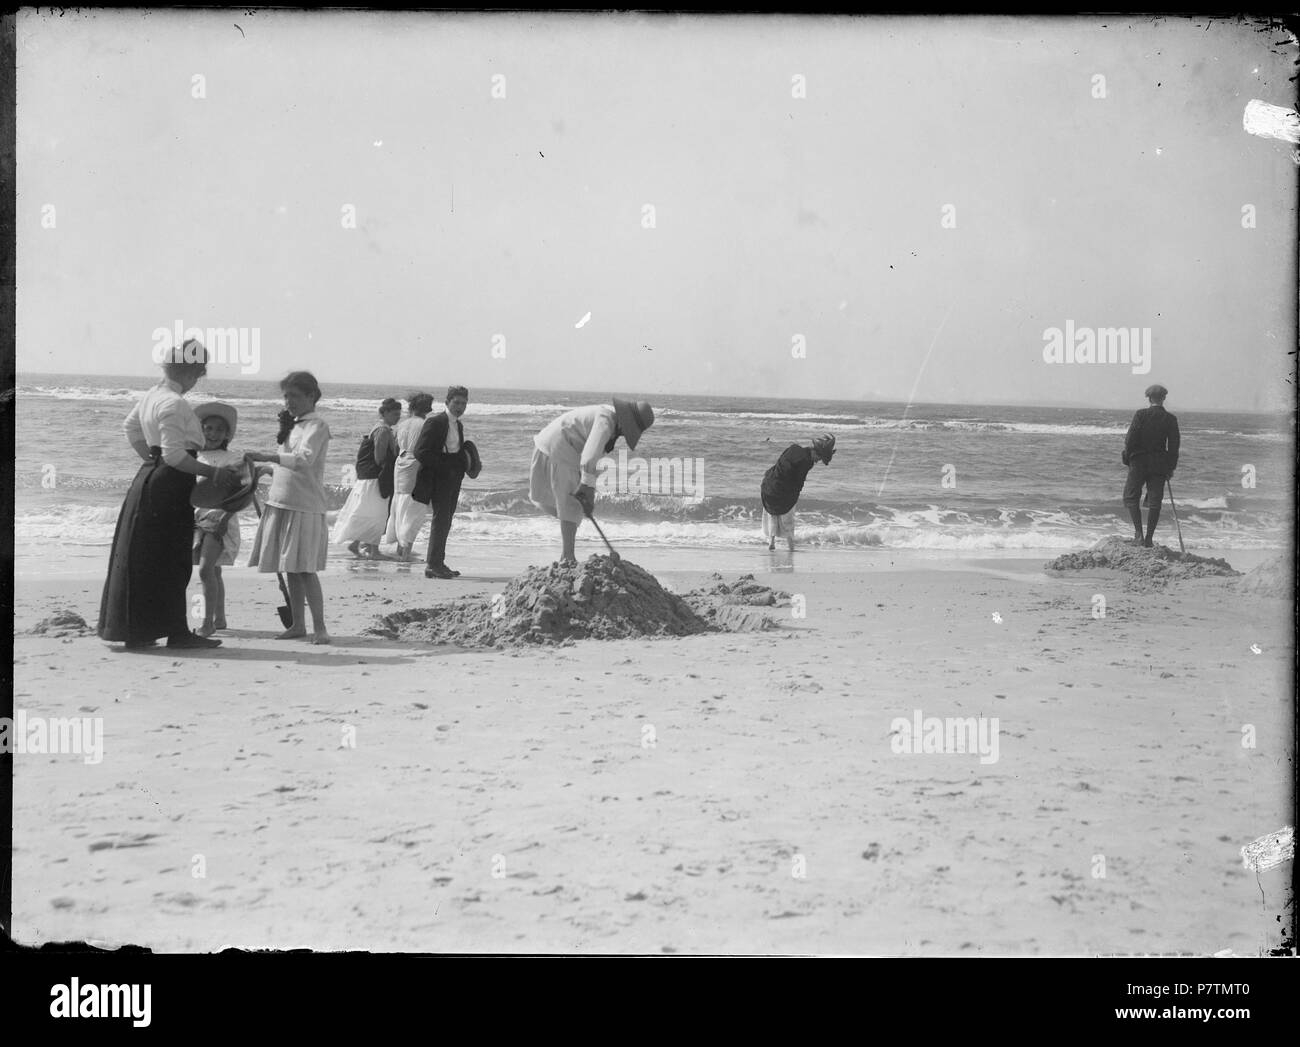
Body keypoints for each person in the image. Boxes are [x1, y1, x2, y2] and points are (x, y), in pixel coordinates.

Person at [98, 339, 238, 650]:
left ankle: (139, 629)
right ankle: (176, 631)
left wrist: (150, 460)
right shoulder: (174, 402)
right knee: (173, 560)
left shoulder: (152, 396)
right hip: (171, 483)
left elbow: (130, 428)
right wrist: (214, 472)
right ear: (193, 373)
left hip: (149, 477)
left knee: (144, 557)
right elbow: (176, 456)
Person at [244, 372, 333, 644]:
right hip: (282, 501)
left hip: (304, 506)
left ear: (311, 396)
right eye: (286, 396)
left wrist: (267, 456)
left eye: (294, 396)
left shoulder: (317, 426)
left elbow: (303, 460)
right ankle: (297, 625)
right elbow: (288, 466)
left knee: (305, 569)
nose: (288, 401)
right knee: (290, 568)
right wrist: (265, 469)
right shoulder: (294, 426)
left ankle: (320, 629)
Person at [528, 397, 654, 565]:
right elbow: (588, 457)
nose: (626, 433)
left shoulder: (609, 421)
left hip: (560, 448)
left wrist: (589, 489)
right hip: (561, 448)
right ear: (626, 422)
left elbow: (590, 460)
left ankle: (567, 555)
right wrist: (586, 487)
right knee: (570, 505)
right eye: (630, 429)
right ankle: (567, 557)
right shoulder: (606, 421)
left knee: (571, 506)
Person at [191, 402, 270, 636]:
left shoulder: (232, 458)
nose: (213, 434)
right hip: (196, 517)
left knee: (206, 570)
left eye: (218, 430)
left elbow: (241, 493)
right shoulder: (193, 456)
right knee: (214, 571)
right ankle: (220, 618)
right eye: (208, 428)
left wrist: (226, 517)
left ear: (227, 434)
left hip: (220, 518)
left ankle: (207, 623)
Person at [412, 386, 470, 579]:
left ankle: (439, 562)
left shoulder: (458, 425)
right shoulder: (436, 422)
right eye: (456, 403)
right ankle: (432, 565)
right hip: (439, 477)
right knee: (440, 519)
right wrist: (443, 467)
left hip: (453, 477)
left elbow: (457, 450)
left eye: (463, 403)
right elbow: (421, 451)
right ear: (447, 403)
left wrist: (464, 465)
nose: (460, 407)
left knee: (446, 520)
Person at [332, 397, 401, 559]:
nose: (398, 417)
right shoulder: (383, 431)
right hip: (375, 478)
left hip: (368, 478)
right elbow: (379, 458)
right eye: (395, 414)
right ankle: (373, 551)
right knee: (378, 514)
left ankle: (357, 545)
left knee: (368, 511)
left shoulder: (379, 428)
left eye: (399, 414)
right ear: (385, 413)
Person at [1122, 384, 1180, 548]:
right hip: (1159, 464)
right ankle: (1149, 539)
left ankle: (1138, 535)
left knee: (1131, 496)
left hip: (1138, 462)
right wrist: (1170, 468)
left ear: (1149, 398)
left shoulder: (1140, 414)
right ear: (1164, 398)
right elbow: (1174, 447)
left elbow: (1130, 439)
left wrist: (1127, 458)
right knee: (1155, 501)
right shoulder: (1170, 419)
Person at [760, 433, 836, 552]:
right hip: (782, 491)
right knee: (788, 518)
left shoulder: (794, 448)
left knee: (772, 514)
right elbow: (798, 483)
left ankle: (772, 542)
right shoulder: (806, 462)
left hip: (769, 484)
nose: (817, 461)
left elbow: (781, 465)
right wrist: (795, 496)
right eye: (819, 458)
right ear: (815, 452)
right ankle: (791, 547)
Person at [383, 391, 435, 561]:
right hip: (415, 464)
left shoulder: (402, 425)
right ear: (426, 408)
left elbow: (397, 448)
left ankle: (400, 547)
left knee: (400, 507)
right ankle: (405, 552)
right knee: (414, 509)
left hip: (401, 463)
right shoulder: (424, 425)